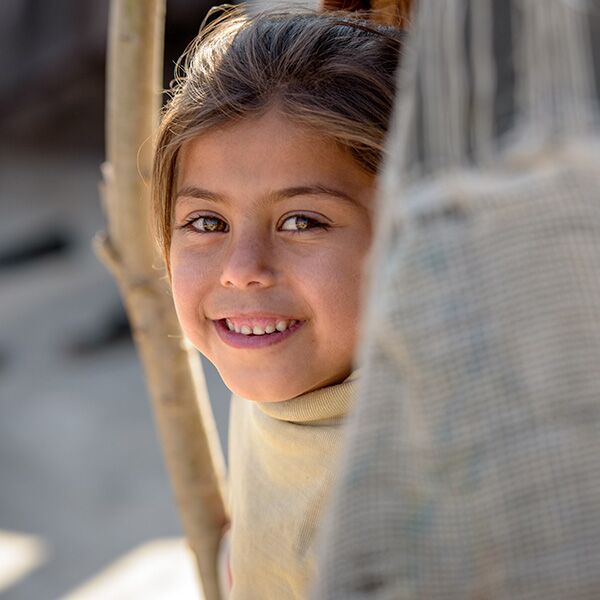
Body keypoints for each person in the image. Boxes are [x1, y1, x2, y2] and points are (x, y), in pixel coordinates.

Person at [152, 7, 404, 598]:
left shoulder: (413, 504)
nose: (243, 272)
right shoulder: (289, 370)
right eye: (206, 221)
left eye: (301, 221)